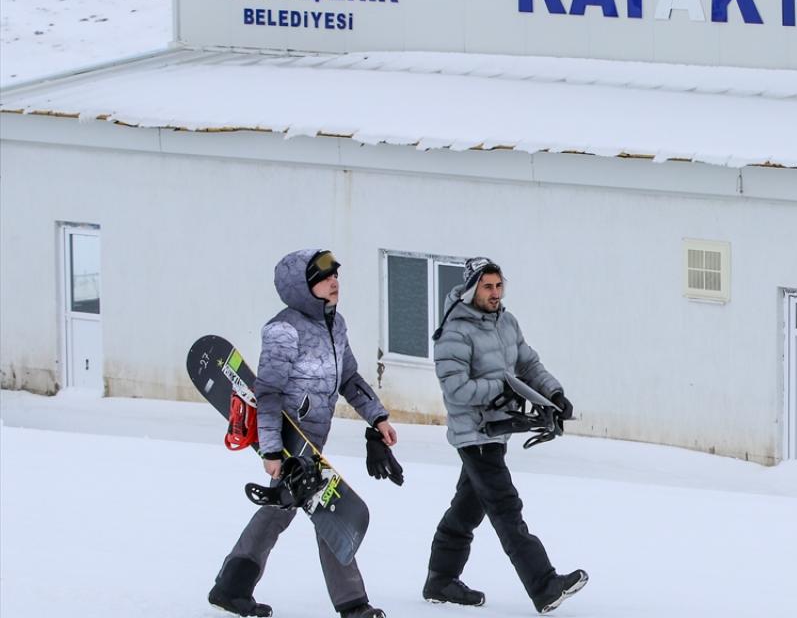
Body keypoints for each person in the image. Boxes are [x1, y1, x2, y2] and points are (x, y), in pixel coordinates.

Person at [209, 249, 404, 618]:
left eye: (335, 275)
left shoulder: (335, 324)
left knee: (280, 511)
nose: (334, 282)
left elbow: (349, 378)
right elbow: (268, 393)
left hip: (312, 439)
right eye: (323, 278)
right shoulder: (283, 330)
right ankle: (353, 604)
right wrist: (271, 450)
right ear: (301, 287)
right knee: (329, 509)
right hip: (289, 439)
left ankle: (231, 587)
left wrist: (377, 417)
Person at [423, 257, 588, 614]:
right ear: (471, 289)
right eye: (487, 287)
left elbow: (528, 364)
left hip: (497, 430)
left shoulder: (506, 322)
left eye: (499, 286)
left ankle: (440, 579)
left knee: (467, 509)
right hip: (474, 434)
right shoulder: (455, 332)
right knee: (505, 508)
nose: (495, 293)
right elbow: (456, 390)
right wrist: (501, 389)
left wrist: (554, 394)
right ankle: (544, 586)